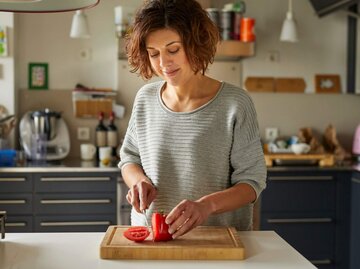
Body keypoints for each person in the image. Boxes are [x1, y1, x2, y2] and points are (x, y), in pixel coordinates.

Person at [119, 0, 266, 239]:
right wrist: (138, 181)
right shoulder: (145, 98)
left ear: (196, 43)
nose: (163, 63)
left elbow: (251, 184)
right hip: (152, 238)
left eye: (173, 50)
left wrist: (206, 206)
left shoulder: (235, 103)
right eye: (154, 54)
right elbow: (129, 158)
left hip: (217, 241)